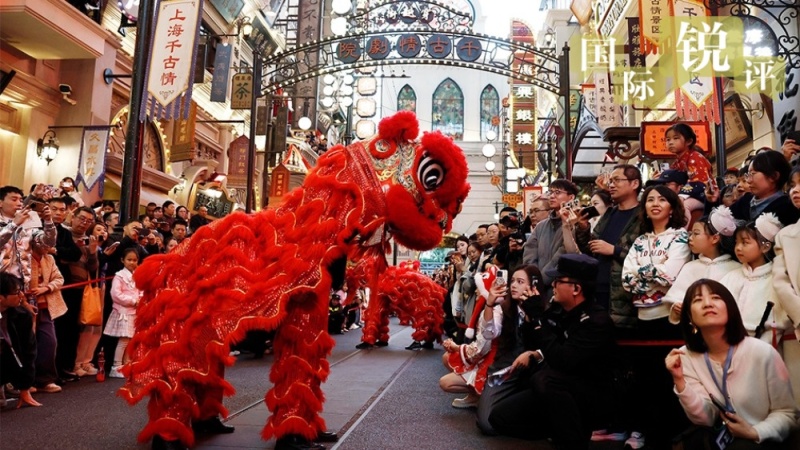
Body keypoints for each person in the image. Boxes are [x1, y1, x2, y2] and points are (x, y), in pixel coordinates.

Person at [483, 254, 617, 449]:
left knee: (544, 379)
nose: (552, 285)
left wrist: (538, 320)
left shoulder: (596, 321)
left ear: (576, 289)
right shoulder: (559, 310)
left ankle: (573, 441)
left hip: (592, 394)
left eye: (558, 281)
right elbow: (535, 343)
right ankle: (558, 430)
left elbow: (562, 360)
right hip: (559, 389)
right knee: (499, 417)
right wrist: (532, 319)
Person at [665, 279, 798, 446]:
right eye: (697, 300)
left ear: (730, 309)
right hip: (720, 439)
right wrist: (680, 382)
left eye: (715, 297)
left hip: (763, 440)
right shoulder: (685, 356)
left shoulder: (762, 352)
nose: (707, 304)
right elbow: (705, 418)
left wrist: (755, 432)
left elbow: (788, 413)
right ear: (690, 318)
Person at [574, 164, 643, 327]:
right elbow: (591, 248)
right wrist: (583, 228)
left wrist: (613, 250)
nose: (611, 185)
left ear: (635, 184)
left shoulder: (642, 216)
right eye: (610, 181)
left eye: (617, 180)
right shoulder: (610, 213)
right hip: (599, 291)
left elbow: (646, 257)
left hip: (624, 297)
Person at [720, 216, 792, 345]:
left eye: (745, 242)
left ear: (765, 247)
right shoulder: (731, 276)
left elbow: (780, 322)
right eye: (736, 242)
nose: (738, 247)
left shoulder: (776, 278)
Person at [622, 185, 691, 313]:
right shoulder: (640, 240)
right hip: (641, 314)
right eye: (650, 200)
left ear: (672, 209)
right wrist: (657, 272)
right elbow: (626, 279)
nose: (655, 204)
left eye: (662, 200)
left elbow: (669, 276)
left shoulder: (680, 236)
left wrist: (636, 271)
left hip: (671, 313)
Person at [666, 207, 741, 324]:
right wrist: (677, 307)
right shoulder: (690, 267)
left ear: (715, 238)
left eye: (696, 234)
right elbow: (677, 297)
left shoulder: (736, 269)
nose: (690, 238)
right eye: (690, 233)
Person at [523, 179, 579, 299]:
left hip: (563, 288)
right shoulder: (541, 226)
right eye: (550, 192)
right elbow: (529, 255)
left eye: (557, 192)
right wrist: (533, 279)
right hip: (537, 288)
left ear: (571, 197)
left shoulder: (576, 222)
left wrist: (540, 281)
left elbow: (563, 255)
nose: (552, 196)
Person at [712, 150, 799, 227]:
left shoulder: (787, 208)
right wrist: (711, 201)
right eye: (747, 175)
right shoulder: (745, 200)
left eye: (753, 174)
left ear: (773, 176)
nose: (748, 180)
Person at [29, 230, 67, 393]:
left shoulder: (49, 258)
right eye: (43, 243)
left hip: (47, 306)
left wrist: (47, 287)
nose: (47, 247)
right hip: (25, 306)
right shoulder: (22, 257)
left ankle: (45, 380)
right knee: (28, 345)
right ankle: (26, 381)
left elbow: (59, 278)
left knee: (49, 342)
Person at [0, 273, 40, 407]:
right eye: (16, 292)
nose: (22, 296)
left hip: (8, 363)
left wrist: (25, 387)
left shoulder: (22, 316)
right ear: (0, 298)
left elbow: (29, 351)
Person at [104, 248, 142, 378]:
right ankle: (116, 365)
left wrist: (141, 299)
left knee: (131, 340)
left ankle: (127, 363)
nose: (132, 262)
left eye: (135, 260)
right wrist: (132, 301)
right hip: (123, 311)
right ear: (122, 260)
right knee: (124, 340)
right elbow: (116, 294)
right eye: (129, 260)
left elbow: (141, 290)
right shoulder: (119, 276)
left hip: (134, 311)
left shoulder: (138, 275)